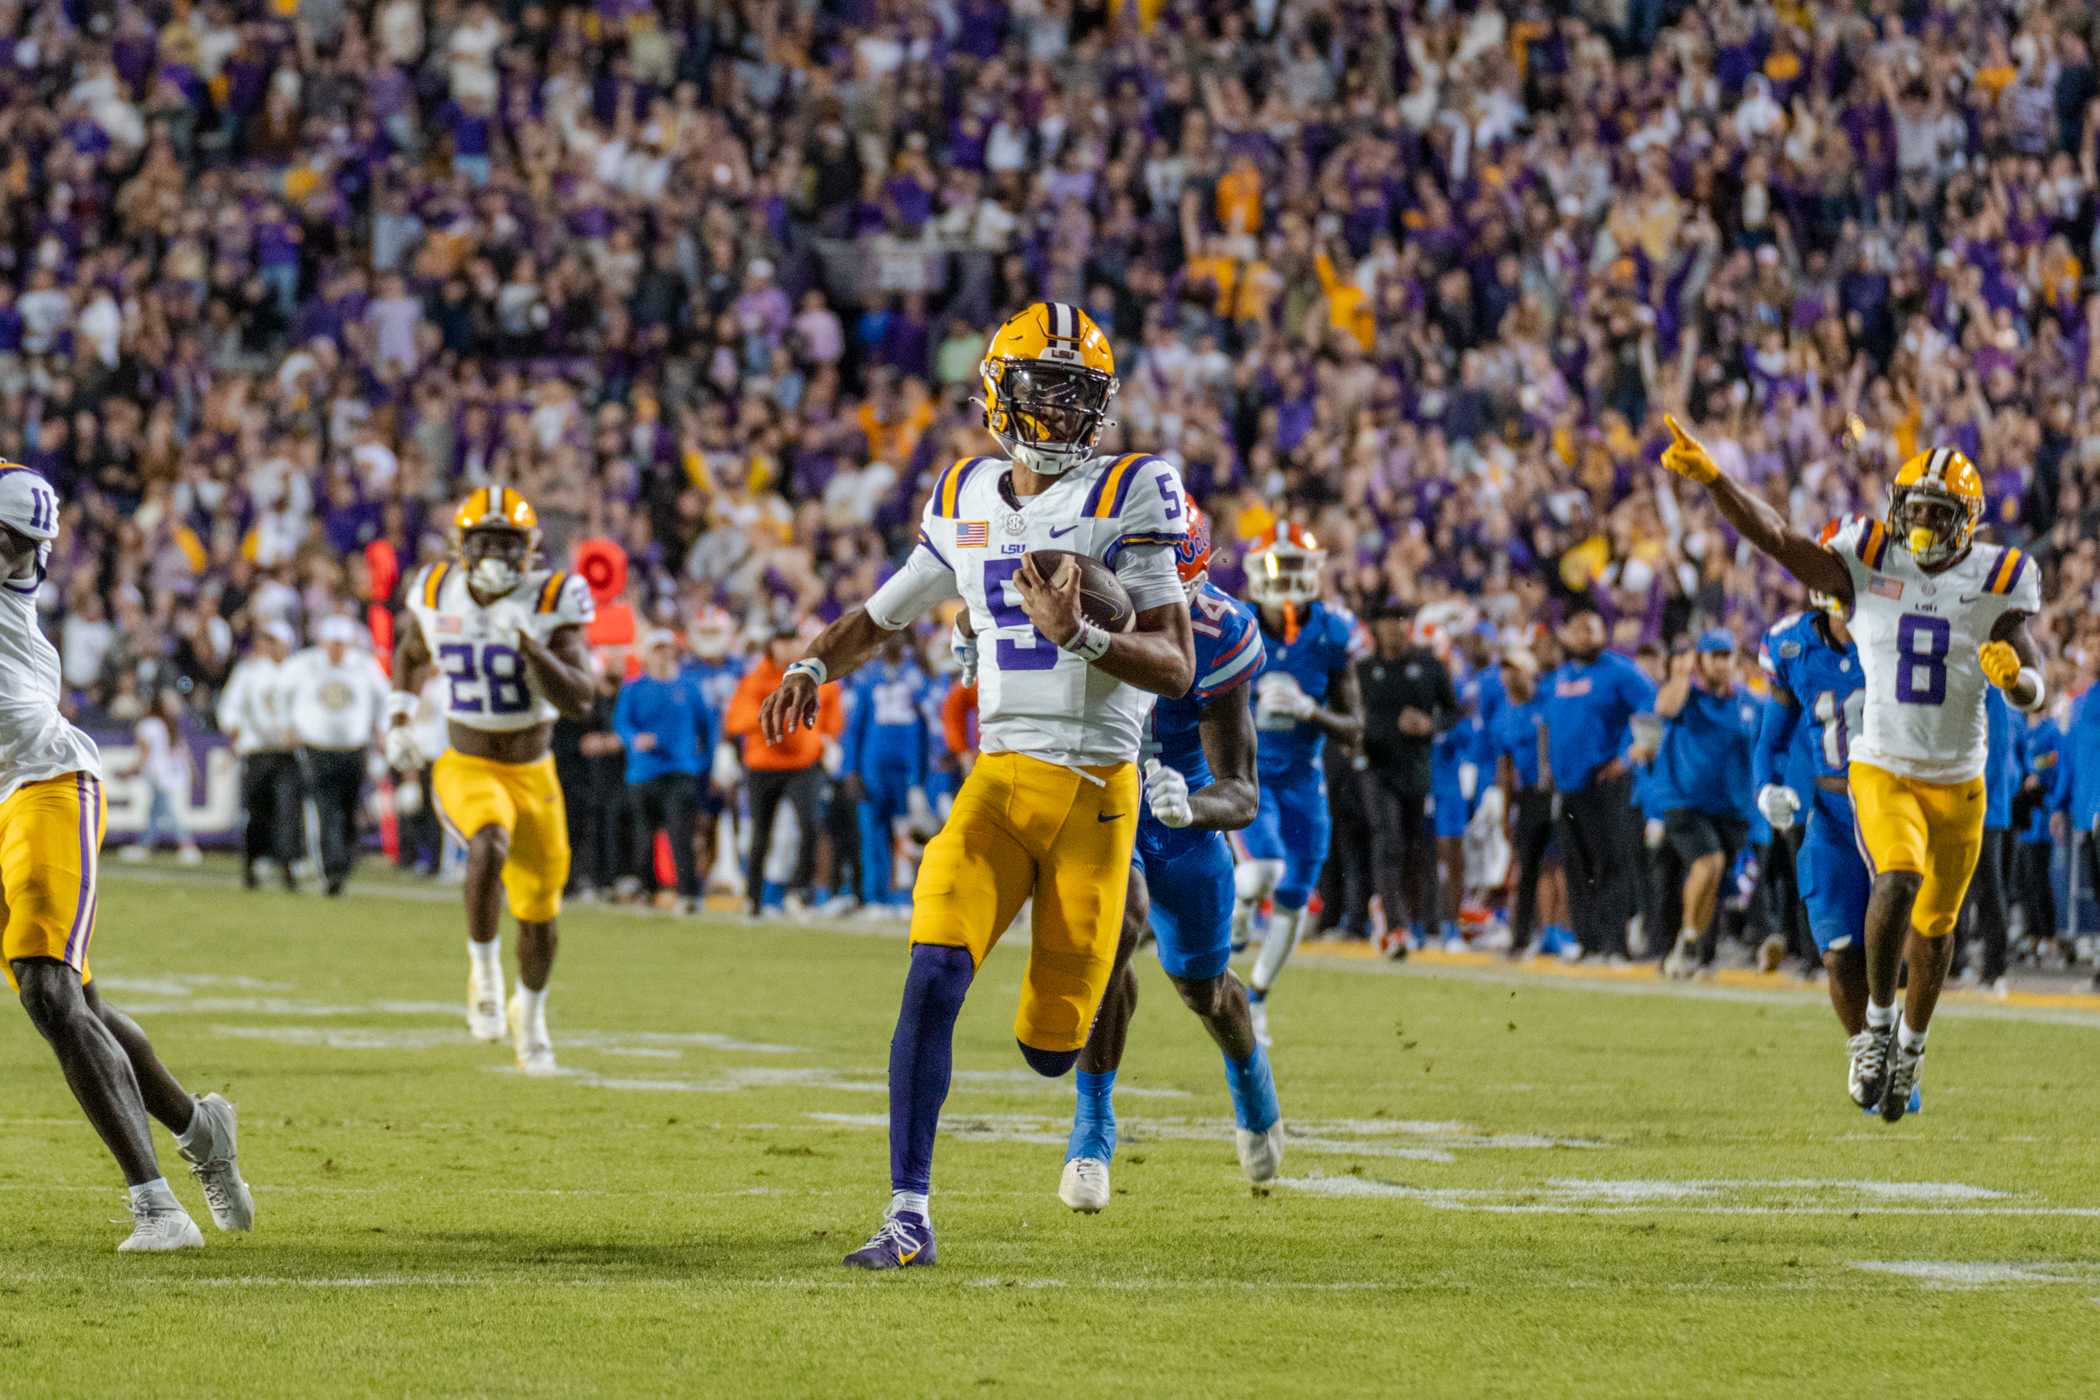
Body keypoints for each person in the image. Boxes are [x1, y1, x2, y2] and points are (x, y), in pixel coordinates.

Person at [757, 302, 1194, 1269]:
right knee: (932, 970)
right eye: (1044, 387)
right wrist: (812, 667)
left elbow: (1175, 665)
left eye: (1079, 393)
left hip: (1097, 793)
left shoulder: (1137, 486)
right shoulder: (965, 493)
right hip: (998, 779)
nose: (1061, 409)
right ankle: (907, 1213)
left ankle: (1093, 1059)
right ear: (1001, 390)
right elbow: (884, 614)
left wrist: (1081, 633)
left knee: (1049, 1045)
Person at [1662, 424, 2048, 1121]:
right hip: (1882, 766)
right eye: (1917, 508)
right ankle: (1874, 1028)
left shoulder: (1997, 578)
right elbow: (1780, 539)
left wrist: (2017, 683)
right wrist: (1719, 481)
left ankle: (1912, 1044)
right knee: (1897, 876)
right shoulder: (1866, 559)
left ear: (1970, 521)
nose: (1925, 522)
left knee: (1935, 931)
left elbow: (2033, 681)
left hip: (1959, 776)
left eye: (1940, 511)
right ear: (1897, 506)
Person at [0, 465, 252, 1249]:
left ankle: (157, 1207)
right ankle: (198, 1125)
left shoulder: (13, 581)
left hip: (44, 783)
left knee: (47, 989)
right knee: (83, 1006)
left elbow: (26, 522)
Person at [1057, 505, 1281, 1212]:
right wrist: (971, 635)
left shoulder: (1220, 635)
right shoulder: (1082, 597)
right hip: (1098, 794)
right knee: (1113, 932)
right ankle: (1091, 1131)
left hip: (1178, 815)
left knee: (1204, 990)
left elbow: (1241, 791)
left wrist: (1191, 804)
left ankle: (1252, 1086)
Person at [383, 486, 597, 1075]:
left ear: (529, 548)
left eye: (509, 542)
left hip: (534, 771)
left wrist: (530, 646)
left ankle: (530, 1013)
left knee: (539, 915)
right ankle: (482, 969)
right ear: (463, 546)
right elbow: (410, 649)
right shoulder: (435, 589)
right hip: (467, 761)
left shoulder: (552, 597)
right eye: (486, 541)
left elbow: (581, 699)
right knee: (488, 839)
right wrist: (398, 713)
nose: (498, 554)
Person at [1755, 588, 1892, 1107]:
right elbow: (1771, 738)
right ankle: (1864, 1046)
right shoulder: (1791, 645)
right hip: (1832, 814)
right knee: (1838, 953)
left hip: (1892, 806)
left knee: (1899, 946)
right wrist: (1765, 787)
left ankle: (1902, 1043)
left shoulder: (1893, 635)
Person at [1232, 524, 1363, 1038]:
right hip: (1251, 773)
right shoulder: (1236, 624)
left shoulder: (1332, 632)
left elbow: (1355, 729)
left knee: (1292, 898)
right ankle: (1239, 909)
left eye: (1293, 568)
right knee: (1262, 872)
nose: (1284, 581)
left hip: (1305, 782)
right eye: (1274, 568)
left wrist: (1312, 710)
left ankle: (1258, 995)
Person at [1539, 606, 1657, 962]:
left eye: (1590, 629)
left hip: (1606, 782)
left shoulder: (1622, 672)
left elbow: (1651, 710)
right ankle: (1588, 942)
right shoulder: (1559, 678)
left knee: (1611, 863)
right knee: (1577, 866)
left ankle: (1613, 944)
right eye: (1577, 630)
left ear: (1602, 633)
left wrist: (1628, 757)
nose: (1583, 636)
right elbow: (1547, 724)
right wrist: (1546, 767)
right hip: (1569, 786)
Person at [1654, 631, 1760, 977]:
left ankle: (1690, 950)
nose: (1721, 662)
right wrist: (1682, 674)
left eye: (1726, 654)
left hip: (1730, 808)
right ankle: (1686, 939)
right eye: (1713, 655)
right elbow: (1664, 708)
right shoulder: (1687, 696)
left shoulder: (1747, 702)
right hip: (1684, 801)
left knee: (1714, 880)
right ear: (1700, 660)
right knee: (1708, 863)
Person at [724, 620, 843, 916]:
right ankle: (753, 898)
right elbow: (736, 722)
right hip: (763, 765)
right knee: (761, 833)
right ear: (772, 644)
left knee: (811, 825)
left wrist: (825, 740)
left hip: (804, 764)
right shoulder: (755, 680)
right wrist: (777, 712)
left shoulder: (817, 677)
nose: (789, 646)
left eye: (793, 640)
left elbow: (832, 715)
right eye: (782, 640)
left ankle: (799, 891)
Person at [286, 614, 389, 895]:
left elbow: (384, 697)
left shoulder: (364, 666)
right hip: (317, 746)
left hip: (353, 748)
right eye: (332, 644)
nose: (336, 650)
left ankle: (342, 863)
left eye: (340, 644)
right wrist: (288, 724)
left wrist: (381, 729)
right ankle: (331, 869)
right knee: (325, 807)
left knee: (348, 808)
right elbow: (281, 692)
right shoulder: (304, 664)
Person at [612, 629, 712, 912]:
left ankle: (687, 893)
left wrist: (704, 764)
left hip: (679, 770)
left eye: (667, 648)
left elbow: (707, 729)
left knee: (680, 834)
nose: (663, 654)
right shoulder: (634, 688)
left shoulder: (689, 687)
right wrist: (635, 740)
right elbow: (622, 723)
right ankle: (648, 889)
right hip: (643, 772)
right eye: (657, 649)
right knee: (644, 835)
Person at [840, 631, 932, 913]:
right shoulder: (868, 678)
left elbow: (924, 730)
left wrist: (921, 773)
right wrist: (851, 769)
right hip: (874, 766)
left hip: (905, 768)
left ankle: (904, 896)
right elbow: (855, 727)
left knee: (907, 834)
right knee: (873, 832)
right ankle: (875, 896)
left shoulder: (915, 676)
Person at [216, 621, 302, 890]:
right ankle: (252, 864)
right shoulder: (250, 671)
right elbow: (230, 705)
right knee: (257, 812)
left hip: (287, 753)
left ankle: (288, 867)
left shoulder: (298, 671)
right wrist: (233, 726)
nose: (267, 646)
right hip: (257, 752)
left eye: (273, 640)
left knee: (287, 812)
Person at [1957, 688, 2020, 995]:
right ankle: (1955, 962)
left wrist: (1979, 797)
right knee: (1955, 887)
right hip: (1959, 804)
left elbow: (1997, 751)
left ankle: (1995, 969)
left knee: (1988, 887)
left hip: (1984, 808)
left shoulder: (1990, 692)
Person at [1493, 648, 1555, 957]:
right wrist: (1505, 814)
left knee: (1559, 866)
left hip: (1558, 791)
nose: (1509, 676)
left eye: (1515, 669)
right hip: (1529, 794)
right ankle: (1521, 937)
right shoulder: (1504, 714)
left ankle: (1560, 933)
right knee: (1527, 866)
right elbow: (1505, 769)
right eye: (1505, 670)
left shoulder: (1549, 700)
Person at [120, 690, 200, 864]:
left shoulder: (146, 725)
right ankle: (143, 845)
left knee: (170, 811)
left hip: (158, 774)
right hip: (172, 773)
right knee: (155, 812)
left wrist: (130, 771)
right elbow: (181, 751)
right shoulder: (167, 724)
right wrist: (193, 772)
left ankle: (188, 846)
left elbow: (145, 752)